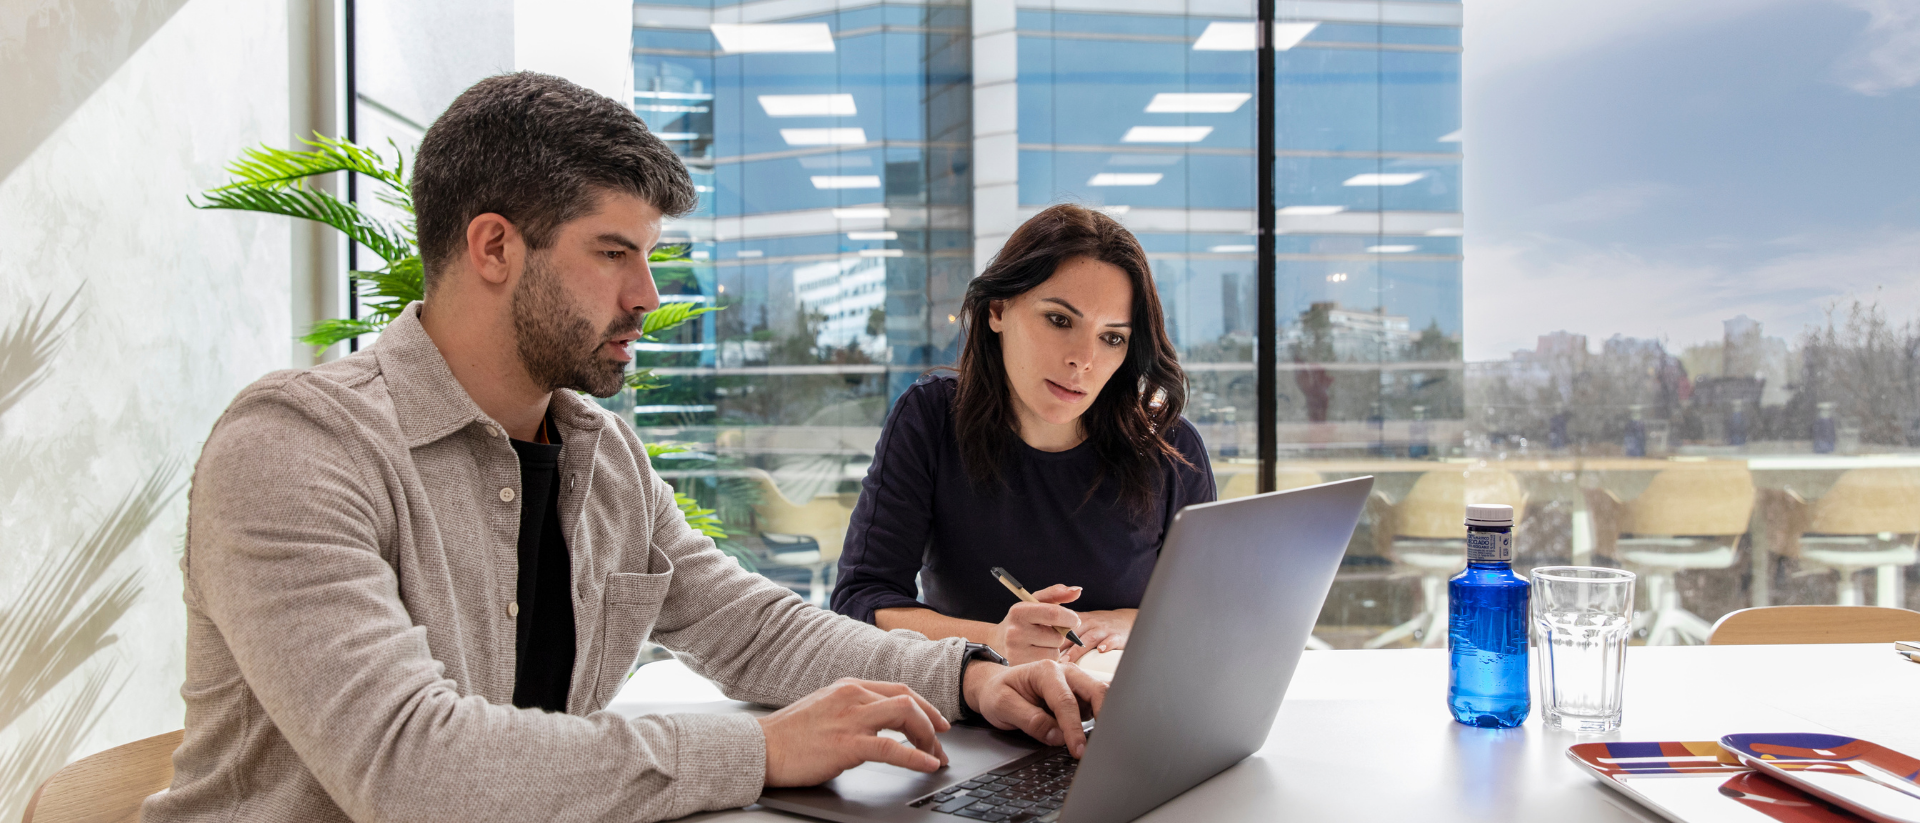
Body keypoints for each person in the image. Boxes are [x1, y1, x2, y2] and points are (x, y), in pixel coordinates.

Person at [145, 72, 1105, 823]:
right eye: (614, 252)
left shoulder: (603, 459)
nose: (647, 294)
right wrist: (763, 751)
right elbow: (409, 769)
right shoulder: (295, 446)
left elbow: (756, 628)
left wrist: (974, 677)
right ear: (493, 248)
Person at [831, 205, 1216, 666]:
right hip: (967, 714)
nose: (1083, 360)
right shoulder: (931, 418)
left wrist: (1129, 620)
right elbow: (861, 602)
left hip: (1123, 709)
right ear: (998, 310)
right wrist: (994, 640)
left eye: (1112, 338)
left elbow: (1211, 613)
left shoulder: (1170, 447)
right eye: (1059, 320)